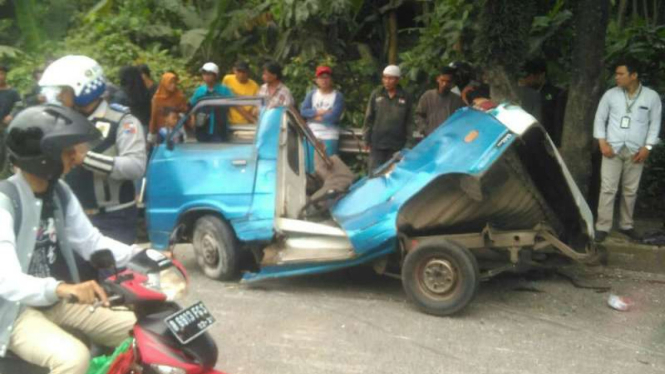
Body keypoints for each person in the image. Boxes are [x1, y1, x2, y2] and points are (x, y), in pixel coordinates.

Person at [0, 104, 139, 374]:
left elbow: (91, 242)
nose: (76, 158)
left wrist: (143, 256)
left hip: (54, 301)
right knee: (73, 358)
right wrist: (62, 288)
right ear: (44, 157)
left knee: (140, 330)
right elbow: (5, 279)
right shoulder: (5, 202)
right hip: (13, 312)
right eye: (68, 152)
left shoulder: (59, 193)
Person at [39, 55, 147, 245]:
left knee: (114, 273)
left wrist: (85, 159)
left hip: (113, 219)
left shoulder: (122, 121)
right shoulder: (63, 121)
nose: (59, 96)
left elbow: (135, 166)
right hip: (71, 216)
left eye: (64, 91)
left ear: (82, 90)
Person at [593, 59, 662, 243]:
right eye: (616, 74)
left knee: (630, 190)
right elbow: (600, 119)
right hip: (612, 148)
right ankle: (602, 227)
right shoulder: (610, 95)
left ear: (634, 75)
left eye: (621, 74)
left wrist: (648, 147)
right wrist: (602, 143)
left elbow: (655, 124)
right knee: (608, 188)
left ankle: (626, 225)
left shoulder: (651, 96)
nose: (617, 77)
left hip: (636, 150)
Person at [362, 65, 414, 171]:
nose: (387, 81)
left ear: (398, 79)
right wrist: (366, 139)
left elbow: (409, 122)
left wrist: (409, 143)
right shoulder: (376, 94)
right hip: (377, 143)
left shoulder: (405, 96)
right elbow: (369, 118)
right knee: (374, 174)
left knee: (393, 175)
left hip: (397, 145)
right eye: (385, 78)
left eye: (390, 78)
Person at [300, 65, 345, 173]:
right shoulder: (312, 94)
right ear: (316, 80)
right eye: (321, 78)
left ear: (331, 79)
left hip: (330, 134)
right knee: (310, 166)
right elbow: (303, 111)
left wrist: (313, 116)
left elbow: (333, 117)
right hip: (312, 134)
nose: (324, 80)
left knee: (329, 166)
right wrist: (319, 112)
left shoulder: (338, 96)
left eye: (326, 77)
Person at [521, 59, 567, 146]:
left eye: (530, 76)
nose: (527, 80)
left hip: (550, 140)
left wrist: (558, 144)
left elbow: (558, 121)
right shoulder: (525, 95)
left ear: (541, 75)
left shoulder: (556, 93)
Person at [415, 66, 465, 137]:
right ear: (438, 79)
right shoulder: (427, 96)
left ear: (452, 82)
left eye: (448, 81)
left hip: (449, 138)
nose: (444, 84)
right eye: (442, 80)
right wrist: (425, 130)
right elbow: (418, 115)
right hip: (431, 138)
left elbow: (461, 119)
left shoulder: (457, 100)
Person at [189, 62, 234, 142]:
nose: (206, 76)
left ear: (215, 75)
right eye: (204, 74)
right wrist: (192, 118)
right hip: (202, 129)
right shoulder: (199, 91)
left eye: (209, 74)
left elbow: (236, 104)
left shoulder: (224, 91)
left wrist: (250, 119)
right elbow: (191, 106)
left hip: (219, 129)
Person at [148, 72, 188, 145]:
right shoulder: (157, 99)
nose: (173, 85)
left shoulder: (179, 97)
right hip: (161, 132)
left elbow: (185, 112)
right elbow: (154, 117)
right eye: (170, 83)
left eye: (175, 83)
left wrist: (177, 116)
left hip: (176, 132)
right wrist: (151, 134)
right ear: (164, 83)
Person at [222, 60, 260, 125]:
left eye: (244, 72)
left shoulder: (254, 86)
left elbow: (257, 106)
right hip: (228, 123)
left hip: (247, 124)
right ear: (234, 70)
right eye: (239, 71)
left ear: (248, 72)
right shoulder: (227, 79)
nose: (241, 74)